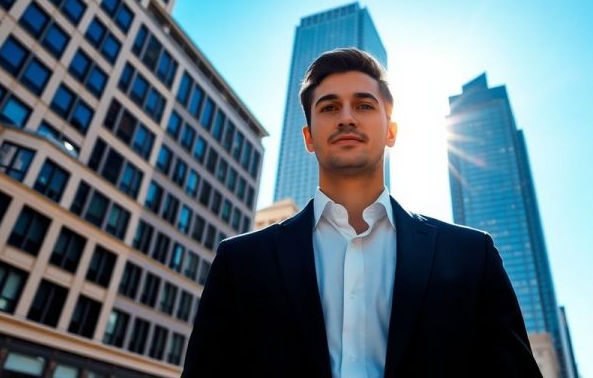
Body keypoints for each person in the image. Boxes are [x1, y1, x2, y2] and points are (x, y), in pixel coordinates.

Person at [182, 48, 542, 377]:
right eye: (329, 108)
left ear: (391, 132)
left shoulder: (471, 255)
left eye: (364, 105)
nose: (347, 118)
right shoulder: (239, 262)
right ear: (308, 138)